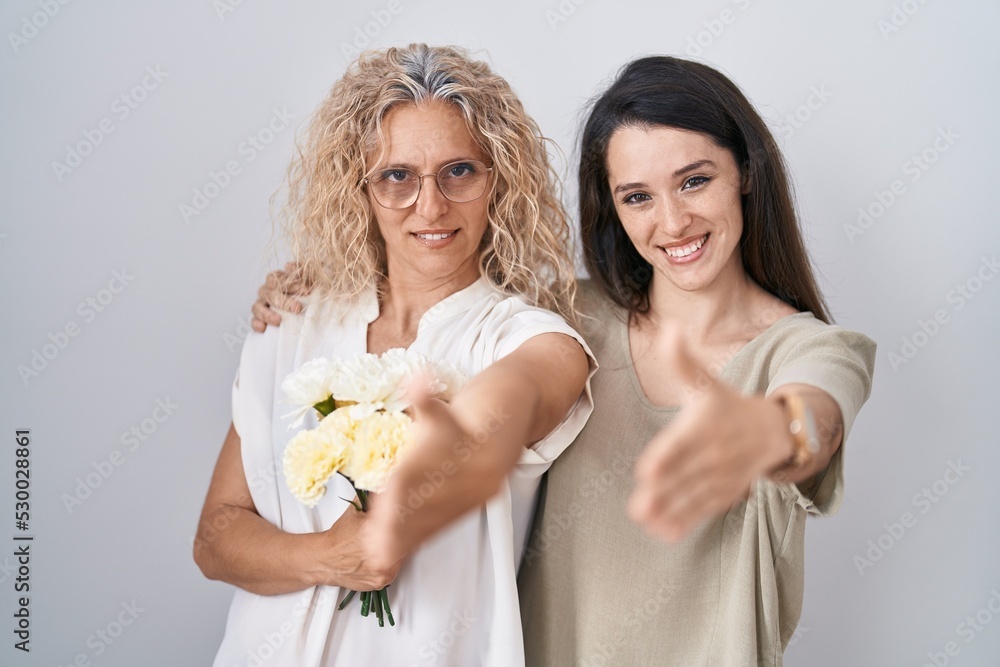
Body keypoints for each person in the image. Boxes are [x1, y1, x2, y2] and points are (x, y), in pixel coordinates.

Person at [252, 55, 875, 666]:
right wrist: (321, 283)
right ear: (611, 208)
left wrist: (778, 432)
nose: (673, 221)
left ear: (744, 171)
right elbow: (438, 266)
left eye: (695, 180)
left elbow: (817, 418)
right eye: (637, 196)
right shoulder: (567, 315)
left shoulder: (811, 349)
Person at [194, 44, 594, 667]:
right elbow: (216, 536)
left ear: (499, 180)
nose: (430, 206)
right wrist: (328, 555)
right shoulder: (294, 322)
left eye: (460, 170)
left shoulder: (529, 338)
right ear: (362, 189)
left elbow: (515, 401)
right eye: (397, 176)